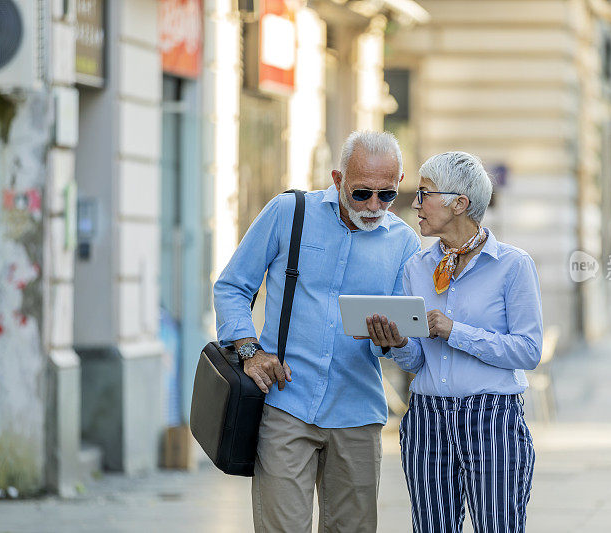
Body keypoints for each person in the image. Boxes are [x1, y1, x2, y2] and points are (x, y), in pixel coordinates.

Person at [213, 131, 421, 532]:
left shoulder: (404, 244)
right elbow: (232, 286)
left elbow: (403, 341)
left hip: (357, 412)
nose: (374, 205)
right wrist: (249, 350)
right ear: (338, 179)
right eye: (362, 193)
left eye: (387, 194)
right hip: (287, 404)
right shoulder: (288, 212)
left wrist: (393, 342)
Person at [364, 151, 543, 532]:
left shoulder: (513, 265)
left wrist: (454, 331)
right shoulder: (417, 267)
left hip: (492, 416)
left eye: (425, 193)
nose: (415, 203)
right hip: (427, 417)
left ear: (459, 203)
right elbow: (416, 362)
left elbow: (528, 350)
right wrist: (394, 342)